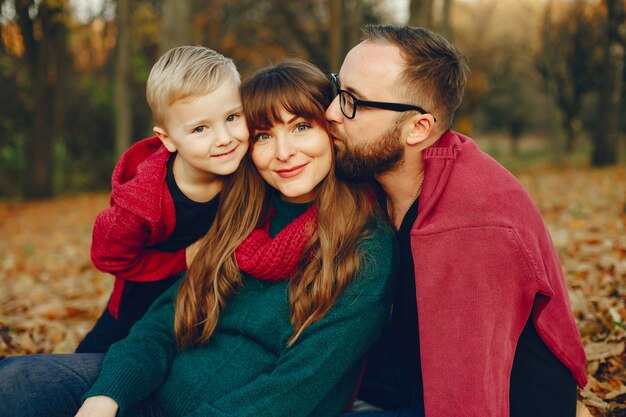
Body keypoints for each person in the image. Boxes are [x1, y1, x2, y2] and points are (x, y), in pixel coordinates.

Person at [0, 59, 397, 417]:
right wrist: (107, 396)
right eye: (263, 136)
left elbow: (293, 390)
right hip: (155, 389)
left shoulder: (363, 247)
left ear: (331, 130)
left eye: (301, 127)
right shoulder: (245, 211)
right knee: (15, 383)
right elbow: (165, 319)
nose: (283, 152)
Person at [327, 25, 587, 417]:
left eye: (354, 102)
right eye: (337, 89)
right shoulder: (378, 178)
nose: (331, 112)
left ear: (418, 128)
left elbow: (468, 397)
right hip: (411, 380)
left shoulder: (473, 224)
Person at [76, 45, 249, 353]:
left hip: (201, 303)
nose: (224, 138)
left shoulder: (247, 171)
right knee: (102, 355)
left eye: (233, 117)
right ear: (167, 138)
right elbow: (108, 257)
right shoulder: (141, 204)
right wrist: (181, 259)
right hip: (141, 301)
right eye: (200, 128)